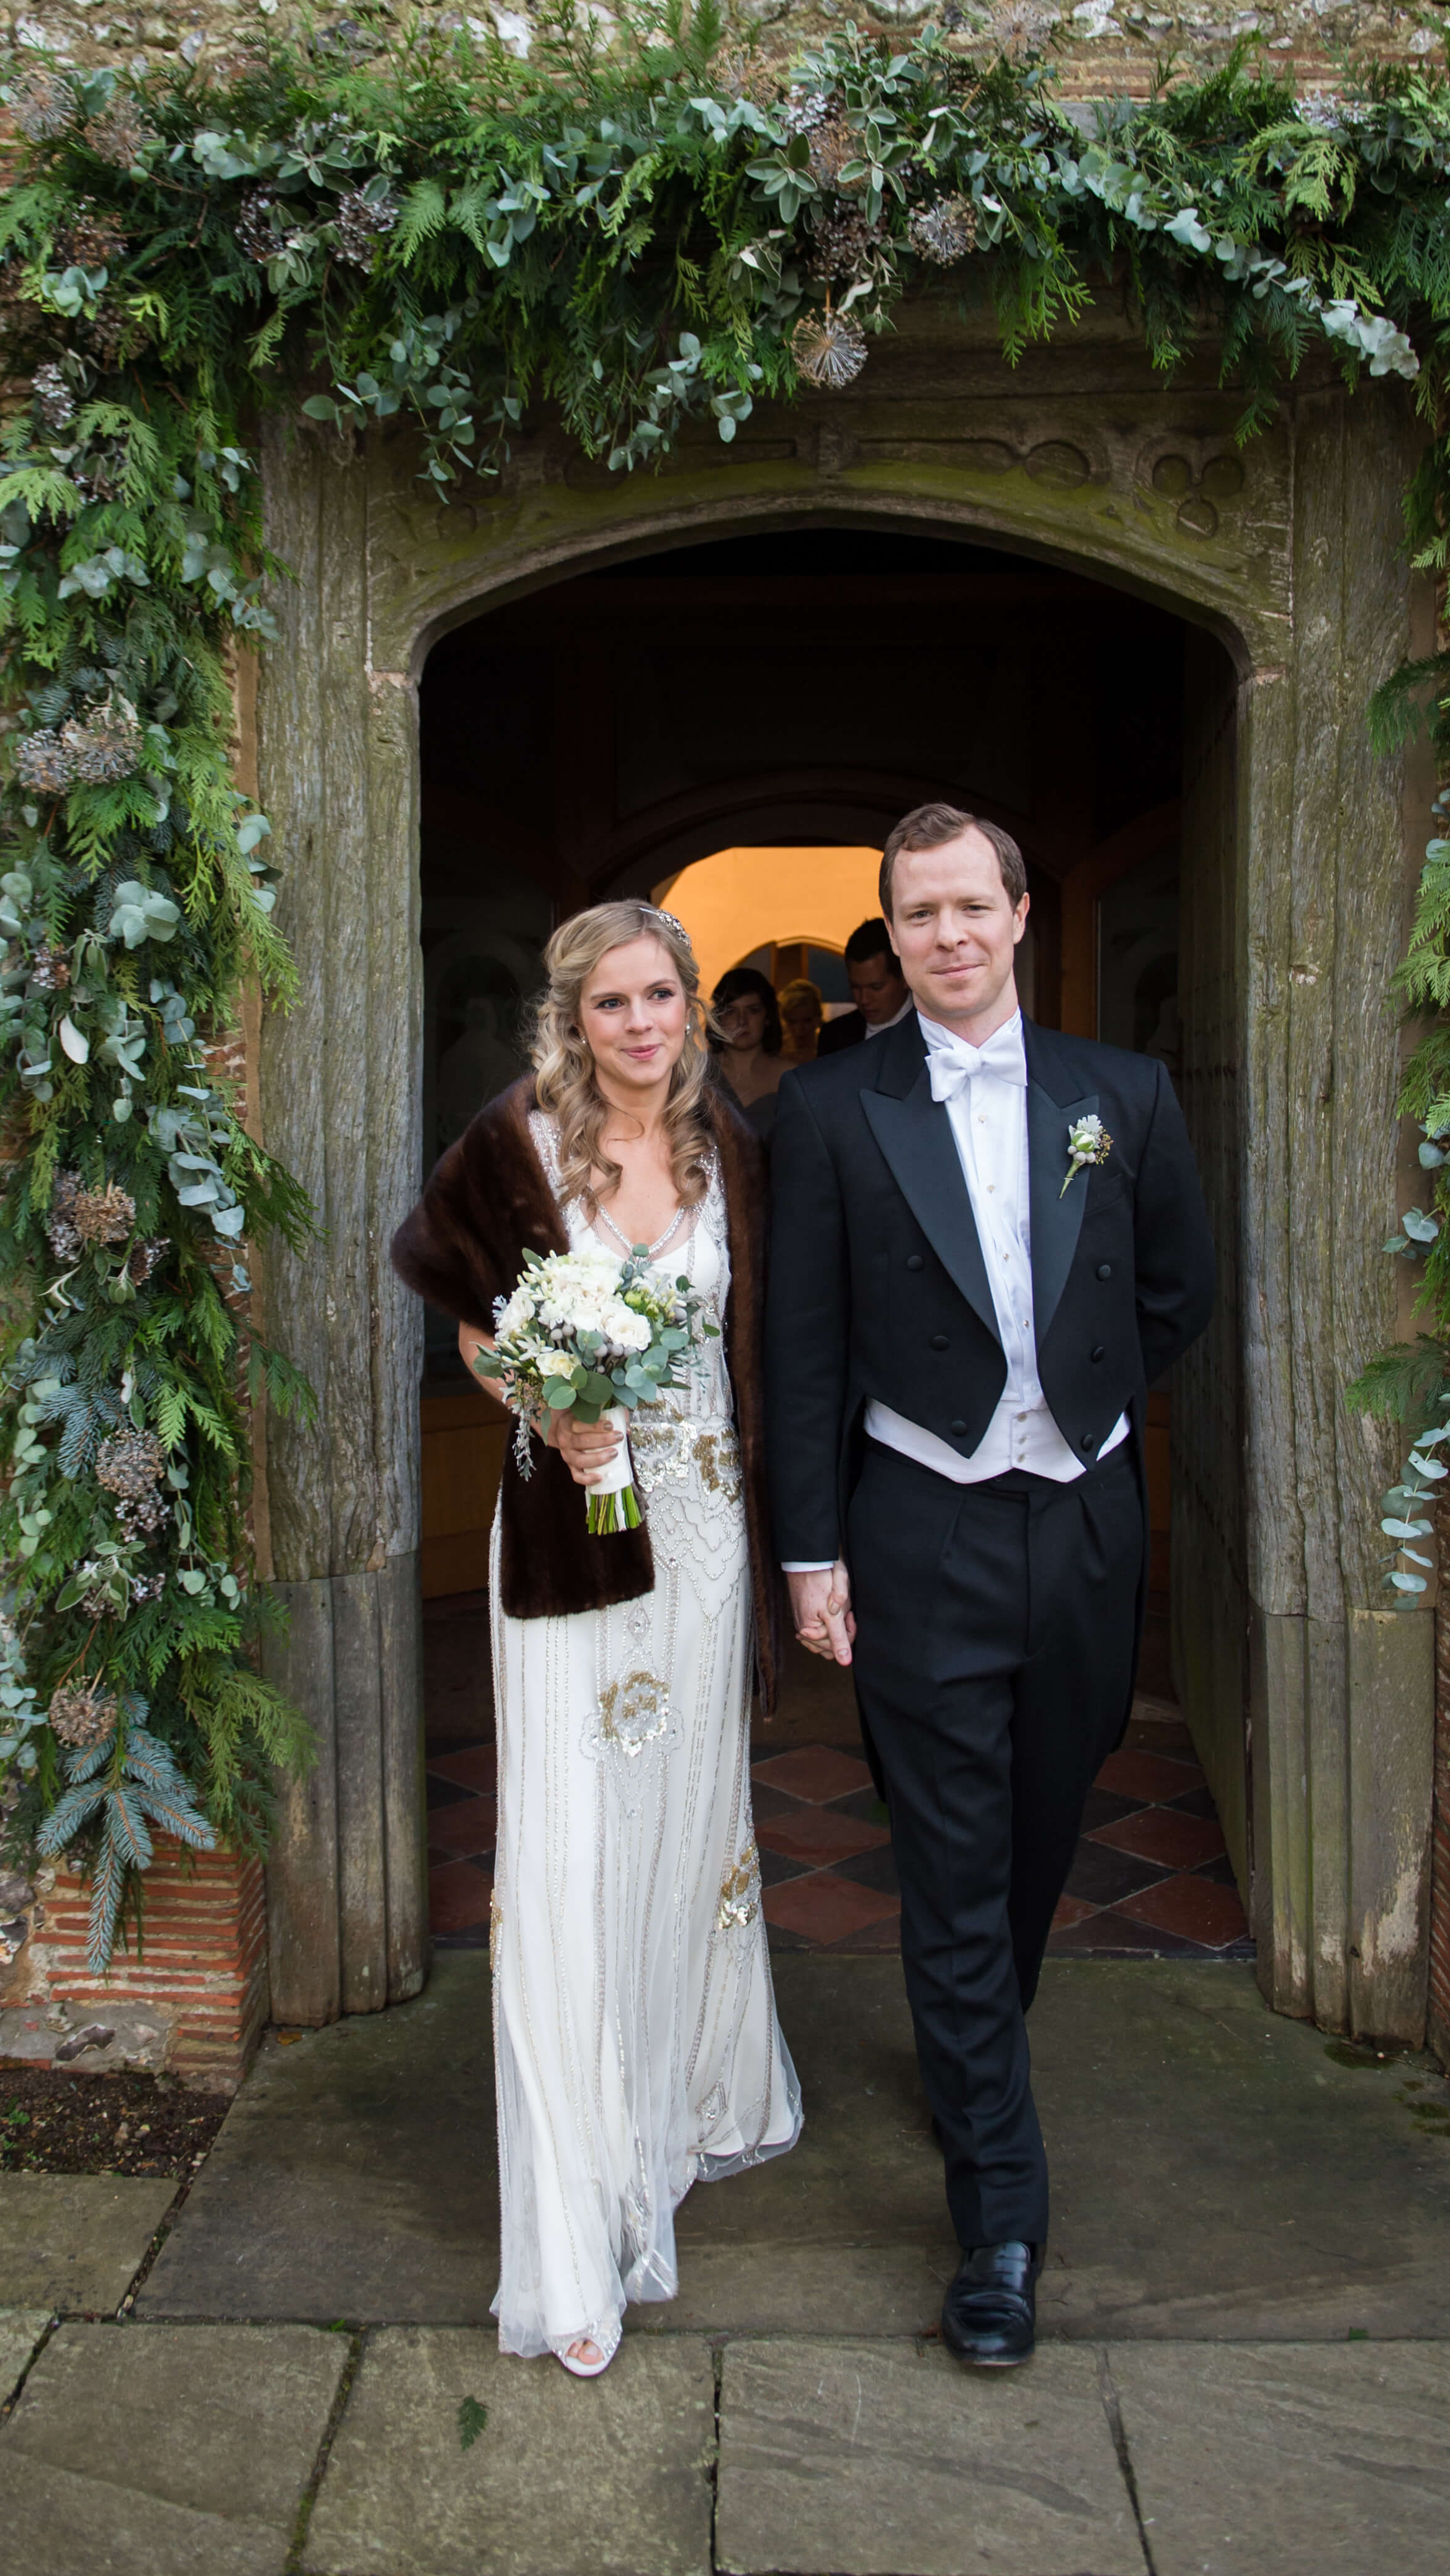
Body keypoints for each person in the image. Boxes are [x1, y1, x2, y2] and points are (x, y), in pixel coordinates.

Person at [766, 804, 1214, 2371]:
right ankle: (999, 2222)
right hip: (919, 1528)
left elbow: (1176, 1294)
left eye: (969, 905)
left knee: (1044, 1817)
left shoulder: (1123, 1094)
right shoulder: (826, 1111)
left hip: (1082, 1517)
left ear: (1019, 914)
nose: (943, 935)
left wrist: (1079, 1408)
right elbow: (802, 1345)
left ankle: (975, 2053)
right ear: (885, 935)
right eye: (913, 914)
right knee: (949, 1861)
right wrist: (810, 1553)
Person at [392, 900, 802, 2378]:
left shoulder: (726, 1150)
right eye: (610, 1004)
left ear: (693, 1006)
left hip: (700, 1535)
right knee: (566, 1859)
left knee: (685, 1830)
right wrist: (543, 1402)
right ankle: (571, 2233)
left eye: (662, 998)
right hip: (568, 1535)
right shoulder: (514, 1145)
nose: (640, 1025)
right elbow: (464, 1324)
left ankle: (674, 2119)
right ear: (568, 1020)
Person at [710, 964, 792, 1142]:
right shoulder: (698, 1074)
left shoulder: (790, 1077)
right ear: (718, 1018)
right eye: (731, 1011)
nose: (742, 1021)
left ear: (768, 1016)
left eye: (753, 1010)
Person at [817, 918, 912, 1056]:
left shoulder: (935, 1030)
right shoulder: (833, 1036)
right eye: (856, 987)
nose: (864, 999)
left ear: (905, 978)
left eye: (876, 987)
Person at [777, 976, 825, 1066]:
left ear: (818, 1018)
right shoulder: (775, 1054)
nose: (799, 1030)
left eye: (807, 1021)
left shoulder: (830, 1051)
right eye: (792, 1022)